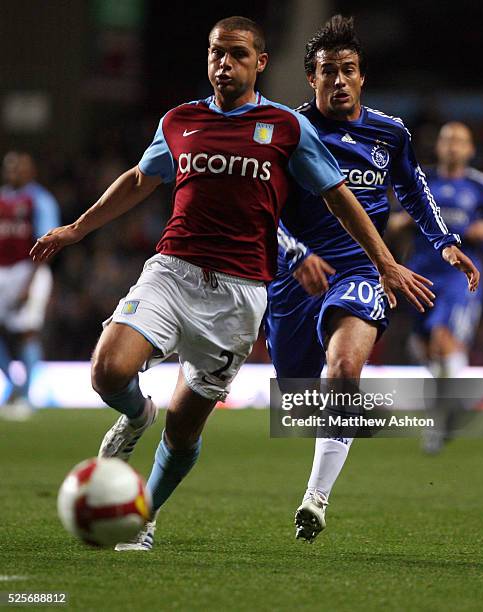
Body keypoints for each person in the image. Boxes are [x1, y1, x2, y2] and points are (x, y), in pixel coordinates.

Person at [30, 16, 434, 551]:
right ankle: (135, 413)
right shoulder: (179, 120)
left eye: (238, 54)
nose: (224, 63)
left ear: (260, 63)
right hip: (171, 272)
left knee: (185, 428)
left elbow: (338, 196)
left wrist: (383, 261)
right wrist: (78, 229)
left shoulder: (287, 128)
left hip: (239, 295)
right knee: (107, 371)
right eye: (217, 53)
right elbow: (138, 180)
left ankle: (142, 517)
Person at [264, 16, 479, 542]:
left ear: (362, 78)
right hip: (297, 277)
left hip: (363, 270)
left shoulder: (390, 133)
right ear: (311, 80)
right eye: (328, 72)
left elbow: (414, 190)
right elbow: (262, 211)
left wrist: (445, 241)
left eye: (349, 71)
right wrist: (294, 254)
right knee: (298, 387)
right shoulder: (289, 132)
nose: (339, 80)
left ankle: (315, 498)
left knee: (341, 370)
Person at [396, 122, 483, 453]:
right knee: (424, 347)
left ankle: (438, 422)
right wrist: (401, 222)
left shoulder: (481, 185)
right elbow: (397, 217)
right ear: (439, 146)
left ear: (470, 149)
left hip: (459, 278)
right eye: (447, 140)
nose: (453, 146)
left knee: (444, 342)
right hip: (421, 273)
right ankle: (453, 402)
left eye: (460, 141)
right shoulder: (422, 180)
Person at [0, 152, 60, 421]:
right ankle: (13, 386)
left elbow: (47, 243)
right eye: (9, 166)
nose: (12, 171)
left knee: (27, 332)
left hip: (28, 269)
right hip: (2, 270)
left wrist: (30, 282)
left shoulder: (40, 200)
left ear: (30, 171)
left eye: (18, 167)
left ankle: (25, 395)